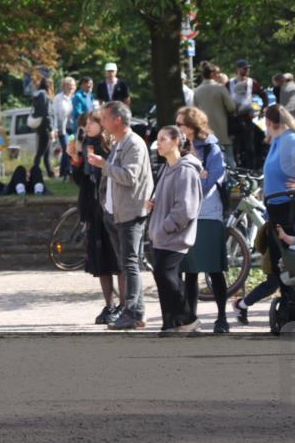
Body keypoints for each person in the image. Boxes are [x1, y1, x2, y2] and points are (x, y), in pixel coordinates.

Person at [232, 105, 295, 324]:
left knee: (282, 264)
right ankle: (284, 308)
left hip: (288, 210)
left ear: (270, 121)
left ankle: (289, 310)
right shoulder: (278, 140)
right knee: (277, 265)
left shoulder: (290, 140)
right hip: (277, 209)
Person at [88, 101, 154, 330]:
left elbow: (128, 177)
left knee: (130, 264)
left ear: (117, 119)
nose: (102, 122)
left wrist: (103, 165)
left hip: (130, 213)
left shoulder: (133, 144)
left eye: (105, 118)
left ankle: (134, 313)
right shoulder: (119, 143)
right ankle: (136, 313)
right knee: (126, 265)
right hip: (116, 214)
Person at [176, 107, 231, 333]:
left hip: (208, 214)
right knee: (190, 270)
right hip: (187, 213)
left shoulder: (212, 148)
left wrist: (196, 177)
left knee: (215, 269)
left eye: (181, 124)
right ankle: (191, 318)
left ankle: (222, 318)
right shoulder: (179, 147)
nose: (177, 128)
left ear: (192, 126)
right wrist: (198, 175)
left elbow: (209, 183)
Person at [146, 126, 203, 334]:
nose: (158, 143)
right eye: (158, 139)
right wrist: (154, 204)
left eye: (163, 139)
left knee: (165, 275)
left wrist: (165, 226)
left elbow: (185, 208)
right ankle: (170, 323)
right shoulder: (166, 168)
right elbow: (167, 198)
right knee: (163, 277)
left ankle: (188, 319)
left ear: (176, 142)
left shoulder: (185, 170)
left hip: (174, 236)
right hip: (161, 236)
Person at [69, 111, 123, 324]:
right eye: (86, 122)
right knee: (101, 260)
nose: (88, 125)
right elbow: (83, 181)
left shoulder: (112, 147)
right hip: (93, 208)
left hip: (110, 208)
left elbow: (114, 176)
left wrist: (101, 165)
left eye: (92, 122)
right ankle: (109, 304)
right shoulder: (86, 144)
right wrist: (75, 161)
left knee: (117, 259)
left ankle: (125, 305)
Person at [193, 61, 236, 166]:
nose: (219, 75)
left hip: (205, 133)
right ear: (212, 74)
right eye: (217, 73)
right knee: (229, 160)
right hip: (223, 131)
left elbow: (194, 112)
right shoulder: (220, 88)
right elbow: (231, 107)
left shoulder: (197, 91)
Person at [228, 60, 269, 169]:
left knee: (250, 146)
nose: (247, 71)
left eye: (248, 68)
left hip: (247, 118)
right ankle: (238, 168)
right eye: (244, 68)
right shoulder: (230, 83)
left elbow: (264, 95)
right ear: (238, 69)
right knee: (236, 146)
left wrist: (263, 109)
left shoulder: (252, 83)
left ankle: (252, 168)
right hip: (234, 119)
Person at [31, 77, 56, 178]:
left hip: (40, 126)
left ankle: (50, 172)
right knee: (42, 151)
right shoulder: (44, 96)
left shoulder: (37, 95)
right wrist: (50, 129)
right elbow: (47, 113)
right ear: (49, 86)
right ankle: (35, 171)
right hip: (45, 126)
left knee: (46, 151)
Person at [53, 77, 76, 179]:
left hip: (73, 129)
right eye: (68, 84)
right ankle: (68, 171)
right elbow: (54, 114)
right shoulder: (58, 98)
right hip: (63, 128)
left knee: (70, 149)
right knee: (67, 147)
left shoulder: (76, 98)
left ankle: (64, 172)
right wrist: (54, 129)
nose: (70, 86)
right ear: (63, 86)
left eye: (72, 85)